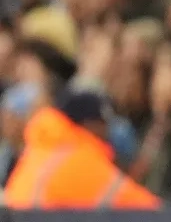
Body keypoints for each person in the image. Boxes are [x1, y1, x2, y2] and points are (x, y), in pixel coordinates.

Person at [4, 88, 160, 209]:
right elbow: (147, 207)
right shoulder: (78, 159)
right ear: (90, 125)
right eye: (104, 123)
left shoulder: (41, 151)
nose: (108, 131)